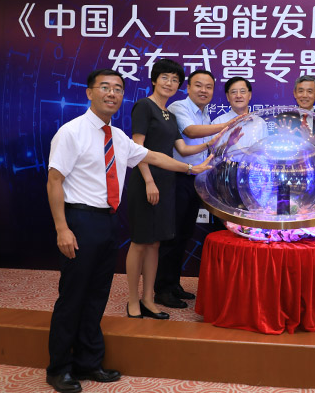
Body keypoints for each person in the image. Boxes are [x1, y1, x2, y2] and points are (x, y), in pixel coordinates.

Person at [46, 69, 212, 393]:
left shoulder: (118, 136)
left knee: (97, 295)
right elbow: (54, 181)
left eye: (118, 89)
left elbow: (155, 157)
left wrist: (192, 167)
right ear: (89, 92)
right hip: (79, 220)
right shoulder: (71, 132)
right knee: (73, 296)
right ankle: (59, 368)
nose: (112, 94)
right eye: (105, 87)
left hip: (109, 220)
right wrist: (62, 228)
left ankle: (89, 361)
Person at [125, 60, 225, 319]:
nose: (169, 83)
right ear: (154, 79)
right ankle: (139, 299)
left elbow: (182, 149)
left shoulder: (168, 113)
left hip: (169, 179)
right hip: (149, 180)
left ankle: (153, 295)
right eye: (165, 78)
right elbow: (137, 149)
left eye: (174, 80)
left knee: (160, 241)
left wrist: (211, 145)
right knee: (142, 242)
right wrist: (149, 181)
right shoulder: (145, 106)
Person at [155, 70, 237, 309]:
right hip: (177, 177)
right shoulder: (179, 107)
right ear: (188, 87)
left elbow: (206, 146)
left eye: (209, 87)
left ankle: (173, 284)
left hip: (196, 178)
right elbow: (190, 132)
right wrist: (228, 124)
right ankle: (162, 289)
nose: (204, 90)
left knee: (184, 234)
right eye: (199, 85)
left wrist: (227, 142)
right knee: (172, 235)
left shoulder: (205, 113)